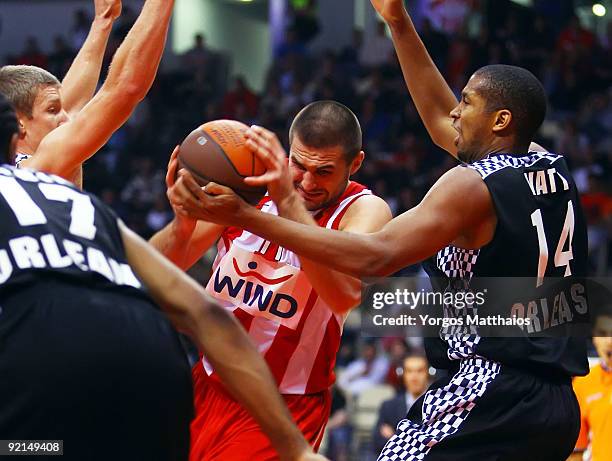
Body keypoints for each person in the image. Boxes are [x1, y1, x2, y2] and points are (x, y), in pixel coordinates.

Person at [177, 0, 590, 459]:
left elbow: (375, 257)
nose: (455, 112)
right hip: (556, 402)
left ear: (500, 121)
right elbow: (440, 121)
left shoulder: (471, 185)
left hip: (491, 384)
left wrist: (248, 217)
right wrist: (397, 21)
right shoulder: (551, 168)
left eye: (467, 102)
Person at [0, 94, 325, 461]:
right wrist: (298, 451)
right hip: (157, 360)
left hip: (54, 355)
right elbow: (204, 313)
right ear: (14, 140)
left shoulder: (356, 209)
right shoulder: (72, 198)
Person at [149, 100, 392, 460]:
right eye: (299, 165)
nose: (307, 182)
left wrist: (282, 201)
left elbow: (343, 295)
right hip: (207, 384)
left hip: (284, 406)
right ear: (288, 152)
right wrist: (183, 225)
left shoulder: (364, 210)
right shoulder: (249, 184)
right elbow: (152, 269)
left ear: (354, 164)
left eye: (324, 171)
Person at [0, 0, 157, 189]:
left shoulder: (25, 163)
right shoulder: (32, 170)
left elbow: (70, 103)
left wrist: (103, 20)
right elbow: (126, 88)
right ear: (19, 123)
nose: (66, 118)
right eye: (52, 110)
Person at [570, 286, 612, 461]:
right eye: (603, 334)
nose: (609, 341)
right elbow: (576, 451)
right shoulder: (583, 383)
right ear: (593, 337)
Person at [373, 355, 430, 454]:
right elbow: (378, 442)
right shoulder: (388, 406)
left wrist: (395, 437)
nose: (414, 377)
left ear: (428, 374)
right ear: (402, 375)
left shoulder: (439, 405)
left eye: (419, 371)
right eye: (409, 371)